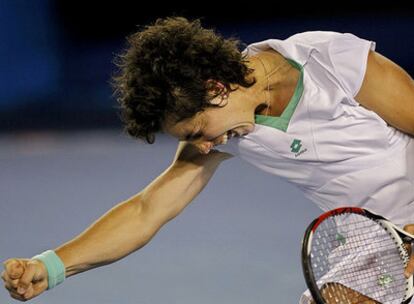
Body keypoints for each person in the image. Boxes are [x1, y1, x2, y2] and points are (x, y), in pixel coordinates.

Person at [1, 16, 413, 303]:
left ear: (216, 88)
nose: (201, 146)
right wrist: (53, 265)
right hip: (379, 240)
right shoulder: (225, 135)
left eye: (196, 131)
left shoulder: (330, 61)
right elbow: (147, 210)